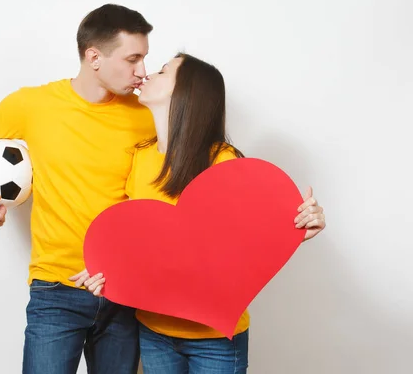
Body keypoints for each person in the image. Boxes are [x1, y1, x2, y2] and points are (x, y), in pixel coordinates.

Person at [72, 53, 327, 374]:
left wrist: (304, 222)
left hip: (216, 338)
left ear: (186, 93)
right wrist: (102, 269)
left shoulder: (223, 162)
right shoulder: (140, 157)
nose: (149, 74)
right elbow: (136, 239)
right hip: (154, 332)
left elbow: (252, 237)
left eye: (163, 71)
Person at [0, 4, 156, 373]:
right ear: (94, 57)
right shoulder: (32, 105)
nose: (142, 71)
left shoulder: (146, 116)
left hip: (123, 291)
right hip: (56, 292)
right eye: (133, 58)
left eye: (144, 58)